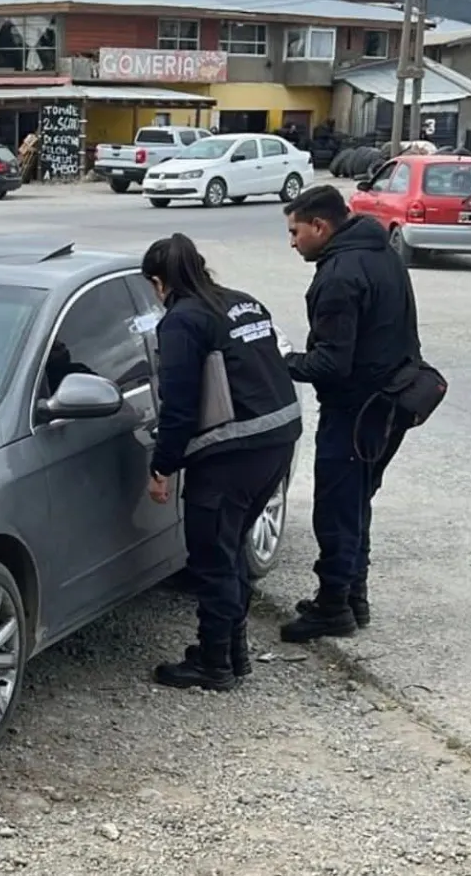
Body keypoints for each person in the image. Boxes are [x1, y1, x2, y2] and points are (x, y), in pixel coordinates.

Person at [143, 233, 302, 692]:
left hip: (232, 452)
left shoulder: (182, 321)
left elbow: (178, 403)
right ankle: (232, 652)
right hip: (277, 440)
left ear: (159, 282)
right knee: (229, 548)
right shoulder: (243, 303)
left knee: (212, 555)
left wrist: (162, 467)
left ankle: (214, 664)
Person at [280, 185, 419, 643]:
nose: (293, 241)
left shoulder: (340, 275)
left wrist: (280, 361)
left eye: (295, 231)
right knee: (357, 501)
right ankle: (352, 595)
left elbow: (331, 364)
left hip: (356, 409)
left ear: (320, 226)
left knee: (337, 507)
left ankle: (334, 605)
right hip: (392, 401)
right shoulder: (383, 252)